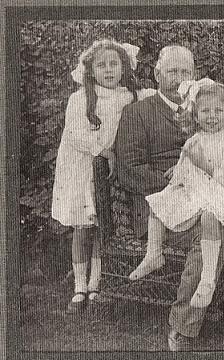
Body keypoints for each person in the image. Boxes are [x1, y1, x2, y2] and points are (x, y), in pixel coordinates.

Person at [114, 45, 224, 351]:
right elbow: (129, 169)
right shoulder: (137, 113)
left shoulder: (206, 106)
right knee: (218, 230)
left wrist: (208, 185)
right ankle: (183, 325)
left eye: (186, 71)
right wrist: (186, 187)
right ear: (157, 74)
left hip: (214, 193)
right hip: (167, 204)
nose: (179, 77)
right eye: (172, 71)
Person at [134, 81, 224, 310]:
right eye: (205, 111)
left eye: (218, 111)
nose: (212, 116)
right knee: (159, 203)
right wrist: (178, 175)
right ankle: (153, 254)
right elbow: (185, 167)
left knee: (209, 217)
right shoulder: (193, 140)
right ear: (195, 116)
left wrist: (204, 165)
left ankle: (207, 279)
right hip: (198, 190)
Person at [52, 39, 154, 313]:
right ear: (91, 71)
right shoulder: (80, 98)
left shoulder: (130, 95)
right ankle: (79, 286)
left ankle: (96, 283)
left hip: (108, 174)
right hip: (82, 168)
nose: (108, 70)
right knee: (83, 227)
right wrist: (103, 152)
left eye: (114, 64)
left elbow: (161, 100)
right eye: (101, 65)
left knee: (102, 226)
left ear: (123, 68)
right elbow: (74, 134)